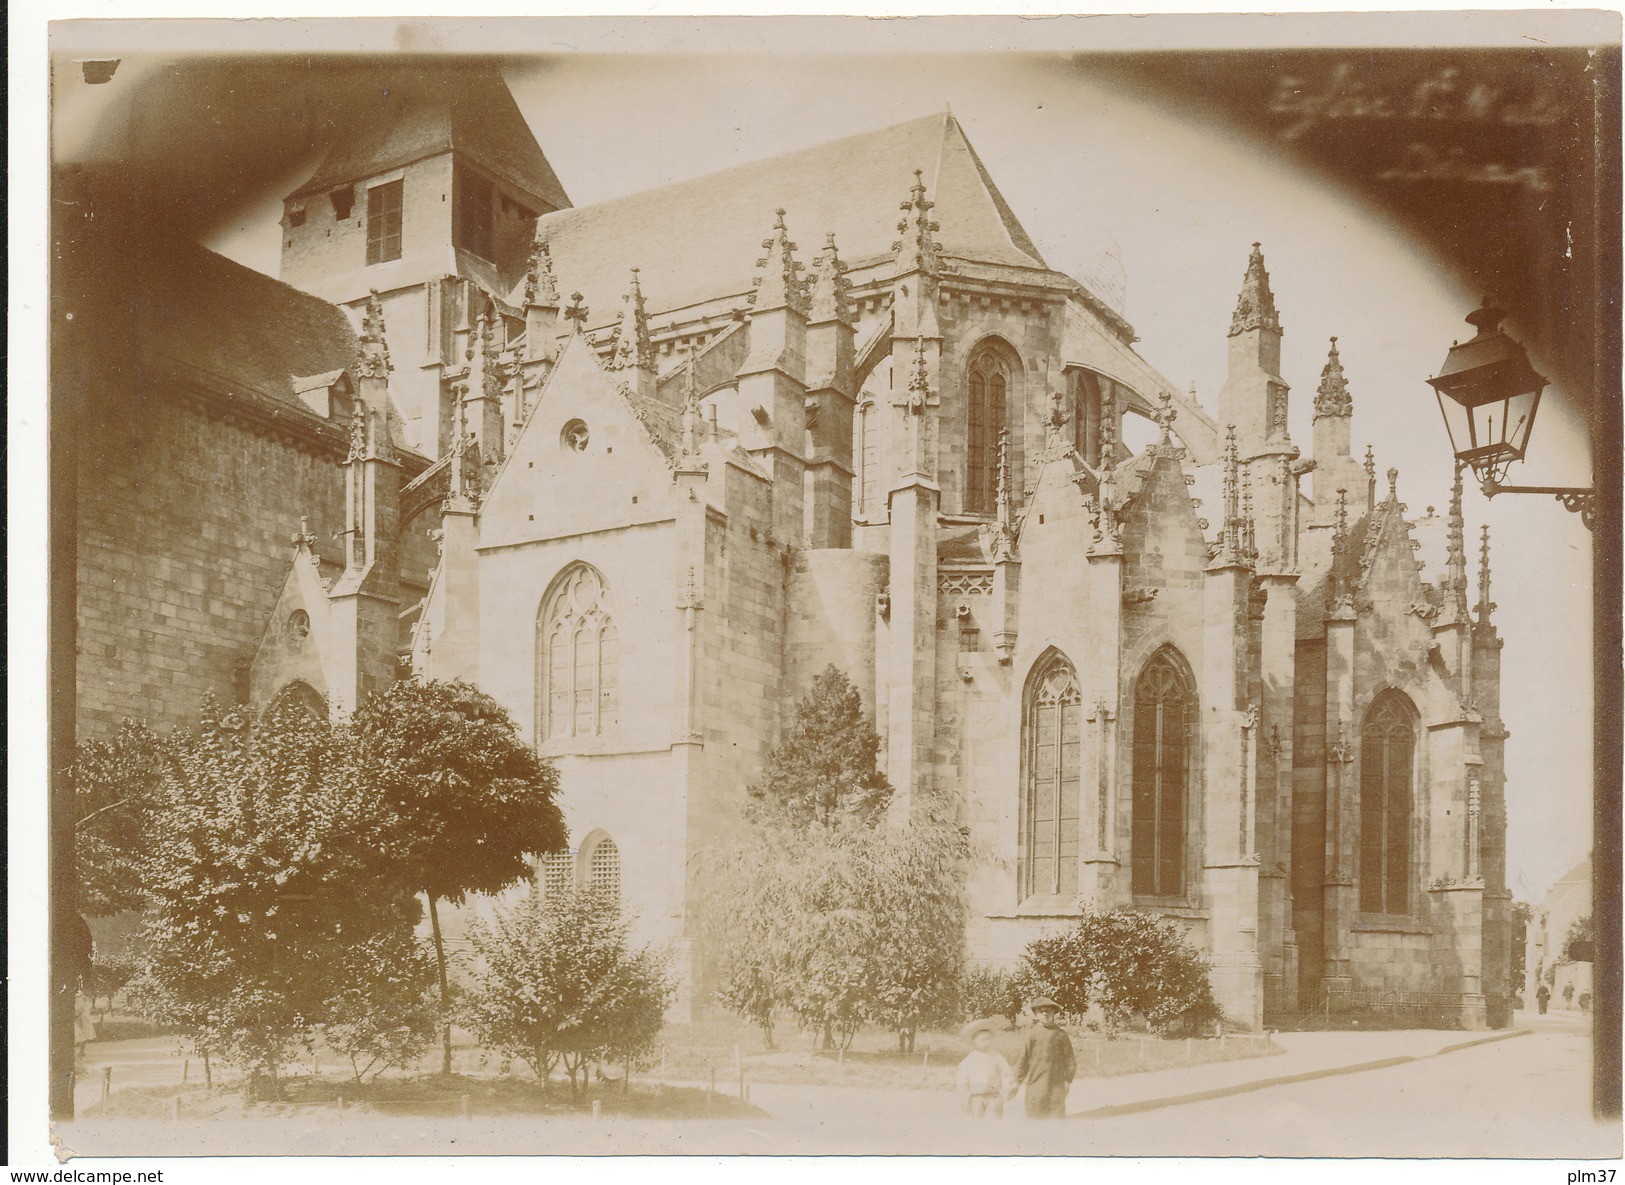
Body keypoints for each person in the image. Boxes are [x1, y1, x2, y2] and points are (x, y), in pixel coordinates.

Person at [1014, 997, 1076, 1120]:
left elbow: (1069, 1059)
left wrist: (1068, 1079)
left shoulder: (1061, 1034)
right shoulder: (1032, 1034)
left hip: (1056, 1084)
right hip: (1036, 1083)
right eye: (1041, 1011)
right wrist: (1017, 1081)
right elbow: (1023, 1060)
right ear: (1036, 1014)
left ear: (1054, 1013)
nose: (1045, 1014)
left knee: (1056, 1118)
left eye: (1049, 1011)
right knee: (1035, 1116)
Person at [956, 1019, 1015, 1118]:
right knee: (976, 1121)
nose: (986, 1042)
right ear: (974, 1042)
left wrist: (1007, 1089)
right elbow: (962, 1081)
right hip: (976, 1096)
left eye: (988, 1039)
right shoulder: (969, 1060)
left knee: (995, 1120)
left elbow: (1006, 1074)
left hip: (993, 1095)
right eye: (982, 1040)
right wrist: (964, 1098)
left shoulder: (996, 1057)